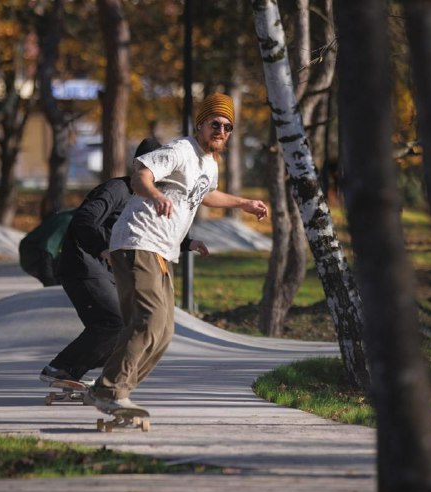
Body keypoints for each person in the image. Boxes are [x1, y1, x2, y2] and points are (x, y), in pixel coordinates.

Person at [85, 93, 269, 413]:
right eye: (216, 124)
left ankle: (114, 389)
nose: (221, 131)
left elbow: (206, 195)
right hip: (138, 240)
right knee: (149, 320)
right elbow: (141, 173)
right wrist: (155, 194)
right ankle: (109, 389)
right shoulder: (181, 149)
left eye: (228, 127)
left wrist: (243, 203)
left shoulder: (209, 164)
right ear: (201, 124)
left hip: (162, 251)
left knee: (165, 332)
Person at [39, 138, 208, 387]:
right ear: (138, 166)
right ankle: (59, 368)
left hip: (106, 270)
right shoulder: (117, 189)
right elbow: (84, 219)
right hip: (83, 265)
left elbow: (146, 234)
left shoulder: (147, 197)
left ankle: (72, 374)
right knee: (112, 322)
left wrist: (188, 243)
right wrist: (102, 249)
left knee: (127, 326)